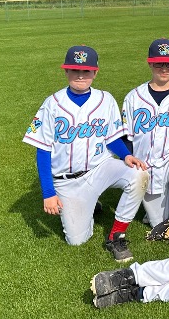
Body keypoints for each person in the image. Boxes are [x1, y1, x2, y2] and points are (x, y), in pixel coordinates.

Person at [22, 45, 148, 260]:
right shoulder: (52, 104)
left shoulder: (105, 99)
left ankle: (116, 234)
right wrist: (48, 193)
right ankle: (89, 203)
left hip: (100, 168)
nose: (80, 75)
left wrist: (125, 155)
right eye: (75, 70)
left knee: (139, 174)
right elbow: (43, 150)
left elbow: (112, 137)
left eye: (86, 71)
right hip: (67, 181)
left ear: (95, 72)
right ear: (66, 71)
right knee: (77, 240)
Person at [107, 39, 169, 256]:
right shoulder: (134, 97)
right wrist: (128, 158)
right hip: (146, 164)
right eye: (159, 63)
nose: (164, 68)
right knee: (158, 223)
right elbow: (127, 136)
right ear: (150, 63)